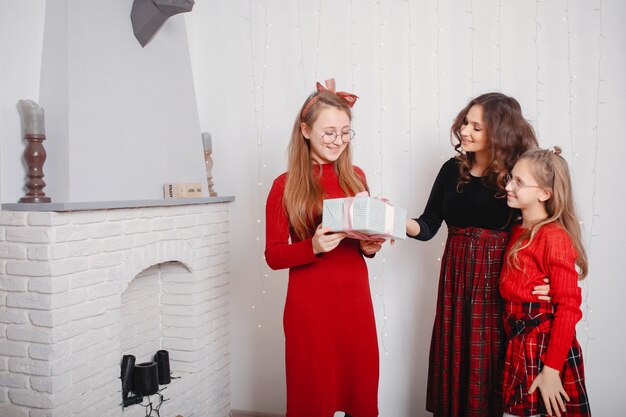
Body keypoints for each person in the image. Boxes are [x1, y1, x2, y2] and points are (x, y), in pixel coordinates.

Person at [406, 92, 550, 417]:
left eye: (476, 127)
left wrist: (548, 279)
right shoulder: (450, 170)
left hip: (496, 283)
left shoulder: (516, 177)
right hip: (455, 282)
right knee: (452, 358)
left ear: (498, 133)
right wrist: (396, 222)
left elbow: (539, 229)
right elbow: (428, 225)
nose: (465, 132)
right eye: (465, 123)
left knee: (488, 365)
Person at [265, 79, 382, 417]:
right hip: (310, 310)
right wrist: (312, 246)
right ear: (305, 130)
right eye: (329, 132)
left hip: (355, 304)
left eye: (345, 133)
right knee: (312, 400)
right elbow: (273, 255)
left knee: (360, 395)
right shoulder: (283, 185)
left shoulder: (356, 176)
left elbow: (363, 242)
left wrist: (371, 246)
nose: (338, 141)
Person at [500, 146, 590, 417]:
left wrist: (551, 370)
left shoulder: (554, 237)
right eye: (510, 177)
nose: (508, 187)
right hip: (517, 343)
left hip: (544, 350)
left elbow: (569, 308)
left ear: (544, 193)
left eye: (519, 182)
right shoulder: (516, 229)